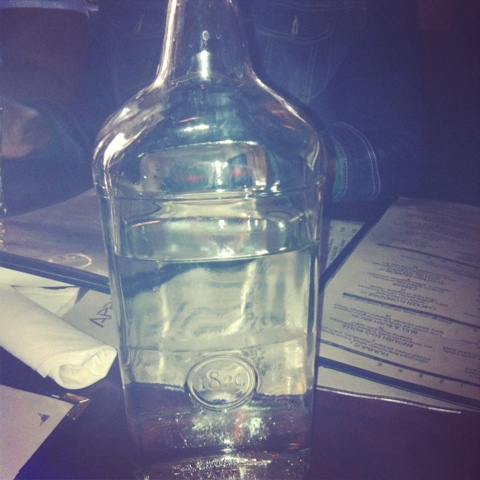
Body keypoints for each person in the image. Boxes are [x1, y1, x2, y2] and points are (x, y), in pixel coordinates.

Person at [1, 0, 425, 213]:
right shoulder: (130, 6)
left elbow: (399, 150)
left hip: (300, 235)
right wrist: (38, 129)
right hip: (145, 232)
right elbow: (108, 120)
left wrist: (284, 167)